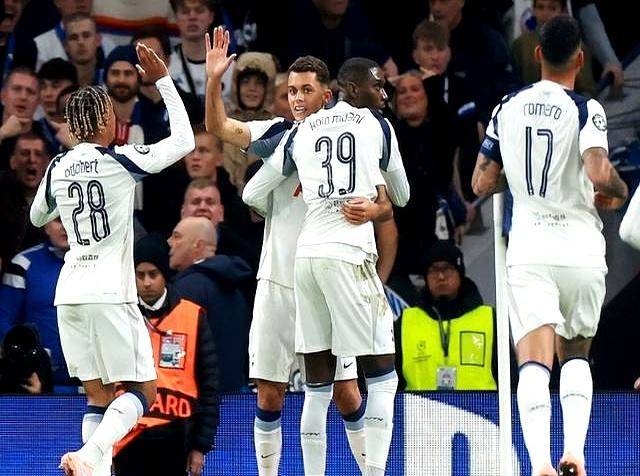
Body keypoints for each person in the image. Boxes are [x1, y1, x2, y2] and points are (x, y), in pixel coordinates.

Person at [206, 28, 407, 475]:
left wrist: (374, 210)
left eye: (306, 91)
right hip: (281, 278)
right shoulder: (280, 134)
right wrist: (214, 80)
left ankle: (368, 469)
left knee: (345, 391)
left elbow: (387, 206)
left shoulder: (358, 135)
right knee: (269, 392)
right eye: (291, 91)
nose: (297, 99)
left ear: (328, 94)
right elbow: (220, 129)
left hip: (326, 272)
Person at [471, 16, 628, 476]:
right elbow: (598, 172)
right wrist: (618, 191)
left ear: (537, 54)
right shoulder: (586, 108)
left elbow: (481, 181)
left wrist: (514, 176)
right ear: (580, 59)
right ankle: (575, 453)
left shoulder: (507, 107)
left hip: (530, 250)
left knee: (534, 361)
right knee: (576, 352)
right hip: (580, 250)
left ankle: (539, 461)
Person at [29, 43, 194, 475]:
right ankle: (88, 456)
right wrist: (163, 81)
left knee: (97, 396)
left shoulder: (58, 165)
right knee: (143, 391)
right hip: (110, 292)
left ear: (71, 125)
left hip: (70, 292)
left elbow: (37, 216)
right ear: (106, 120)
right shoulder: (120, 160)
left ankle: (92, 467)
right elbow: (184, 141)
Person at [113, 233, 218, 476]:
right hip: (128, 437)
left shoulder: (193, 316)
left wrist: (200, 446)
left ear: (164, 275)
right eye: (140, 275)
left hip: (177, 437)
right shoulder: (118, 317)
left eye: (153, 274)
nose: (147, 282)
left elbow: (209, 386)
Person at [394, 240, 496, 390]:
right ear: (425, 277)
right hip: (419, 405)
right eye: (433, 270)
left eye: (447, 269)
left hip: (482, 405)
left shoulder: (489, 318)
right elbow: (390, 381)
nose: (441, 276)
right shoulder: (406, 322)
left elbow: (510, 378)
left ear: (460, 273)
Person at [168, 216, 252, 392]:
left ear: (198, 246)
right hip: (235, 398)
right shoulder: (237, 288)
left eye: (177, 236)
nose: (169, 242)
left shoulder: (187, 288)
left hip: (197, 398)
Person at [0, 217, 72, 386]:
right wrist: (25, 366)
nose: (65, 226)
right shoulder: (22, 264)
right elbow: (3, 321)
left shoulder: (100, 266)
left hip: (93, 384)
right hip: (38, 383)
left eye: (69, 217)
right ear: (45, 225)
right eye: (58, 220)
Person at [511, 0, 597, 97]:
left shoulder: (575, 46)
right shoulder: (520, 44)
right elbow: (514, 84)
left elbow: (587, 90)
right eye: (540, 7)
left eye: (552, 8)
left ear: (563, 12)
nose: (545, 13)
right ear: (533, 10)